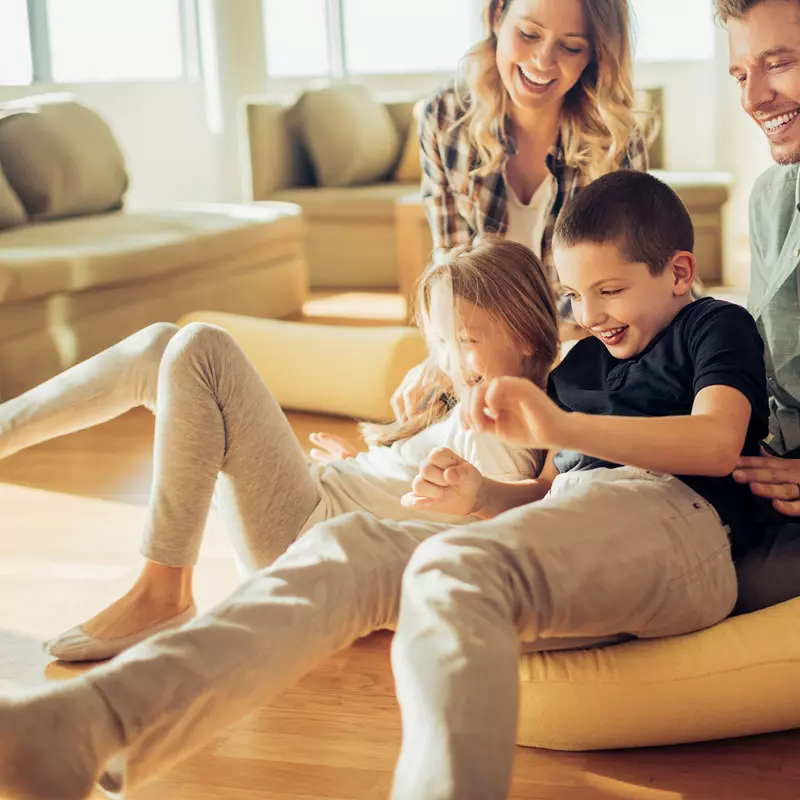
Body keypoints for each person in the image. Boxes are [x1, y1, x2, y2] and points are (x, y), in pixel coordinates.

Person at [0, 171, 772, 800]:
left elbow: (713, 442)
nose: (591, 314)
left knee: (457, 566)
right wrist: (482, 497)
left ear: (679, 273)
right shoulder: (581, 373)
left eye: (610, 291)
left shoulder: (713, 326)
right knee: (355, 545)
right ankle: (92, 727)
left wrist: (556, 429)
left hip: (677, 518)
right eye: (576, 297)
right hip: (580, 516)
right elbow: (548, 500)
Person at [0, 237, 558, 662]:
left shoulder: (507, 415)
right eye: (438, 341)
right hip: (320, 499)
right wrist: (371, 473)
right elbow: (433, 489)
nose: (446, 361)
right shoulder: (473, 399)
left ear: (529, 335)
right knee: (159, 347)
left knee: (200, 347)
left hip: (309, 536)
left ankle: (163, 591)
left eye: (464, 342)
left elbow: (489, 527)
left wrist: (399, 499)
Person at [392, 0, 650, 421]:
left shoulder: (615, 141)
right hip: (493, 350)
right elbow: (453, 270)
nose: (542, 62)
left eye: (570, 47)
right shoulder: (444, 118)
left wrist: (539, 368)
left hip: (594, 345)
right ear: (497, 16)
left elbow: (624, 299)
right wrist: (443, 356)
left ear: (594, 55)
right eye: (528, 35)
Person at [716, 0, 800, 613]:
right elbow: (762, 353)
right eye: (742, 74)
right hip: (771, 470)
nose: (754, 98)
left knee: (708, 591)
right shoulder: (774, 195)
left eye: (781, 63)